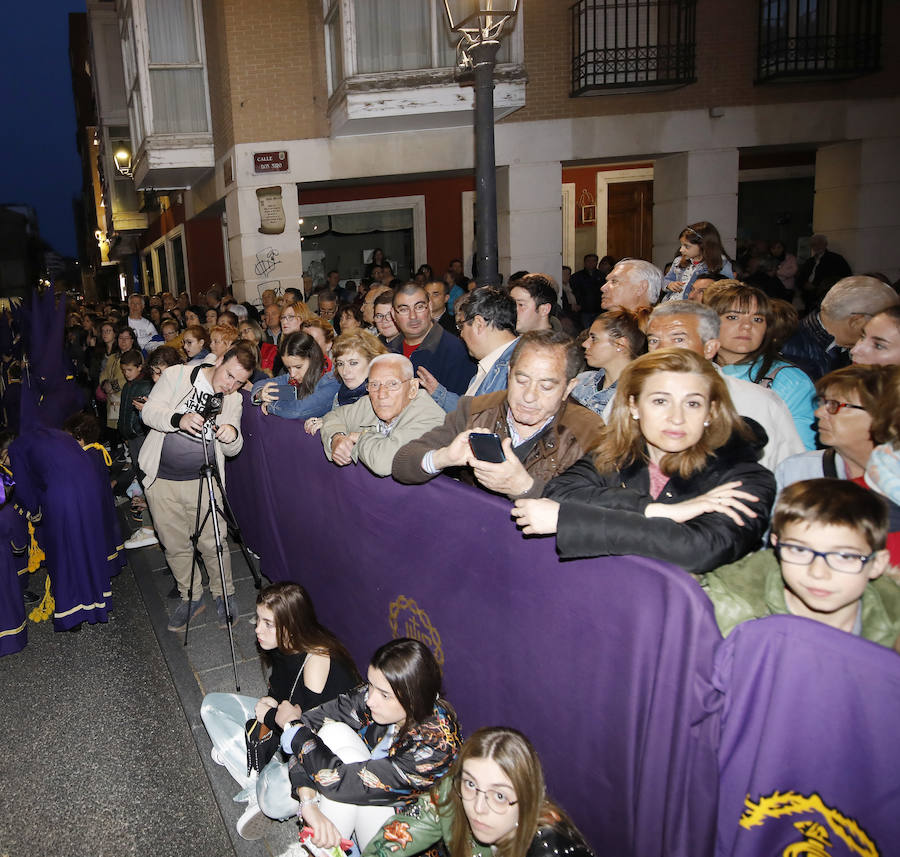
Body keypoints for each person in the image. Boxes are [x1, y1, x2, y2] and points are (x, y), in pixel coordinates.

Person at [512, 349, 776, 575]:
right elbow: (560, 493)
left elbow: (699, 550)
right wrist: (661, 512)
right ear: (634, 407)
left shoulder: (746, 477)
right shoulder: (617, 453)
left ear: (711, 411)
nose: (677, 418)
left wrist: (571, 522)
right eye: (660, 401)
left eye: (693, 404)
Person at [201, 582, 360, 840]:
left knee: (273, 800)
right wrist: (270, 701)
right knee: (211, 706)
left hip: (319, 755)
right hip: (287, 730)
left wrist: (270, 716)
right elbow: (281, 691)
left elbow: (306, 734)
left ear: (291, 625)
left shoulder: (316, 659)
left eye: (267, 624)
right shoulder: (284, 645)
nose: (257, 630)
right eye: (258, 620)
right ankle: (254, 775)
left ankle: (257, 781)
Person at [279, 638, 462, 850]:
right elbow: (308, 726)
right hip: (366, 805)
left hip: (400, 841)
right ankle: (321, 845)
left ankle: (317, 848)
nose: (370, 700)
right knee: (331, 731)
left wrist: (292, 726)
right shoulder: (376, 696)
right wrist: (307, 800)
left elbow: (338, 780)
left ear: (414, 699)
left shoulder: (435, 747)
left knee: (344, 767)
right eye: (371, 685)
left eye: (384, 695)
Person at [393, 331, 604, 499]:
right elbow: (402, 464)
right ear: (509, 372)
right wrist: (443, 457)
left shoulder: (590, 433)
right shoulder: (476, 410)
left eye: (546, 386)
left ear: (569, 387)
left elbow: (595, 509)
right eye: (521, 381)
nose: (529, 396)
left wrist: (525, 487)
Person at [138, 342, 257, 631]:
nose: (231, 385)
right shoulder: (178, 375)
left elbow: (234, 448)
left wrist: (232, 436)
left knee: (213, 542)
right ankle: (190, 596)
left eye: (239, 382)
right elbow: (149, 412)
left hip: (203, 481)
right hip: (162, 479)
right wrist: (178, 419)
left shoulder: (233, 400)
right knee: (174, 542)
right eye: (229, 375)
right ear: (219, 361)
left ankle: (224, 594)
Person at [702, 479, 900, 647]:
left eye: (845, 556)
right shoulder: (725, 615)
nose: (818, 573)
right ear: (776, 546)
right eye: (799, 550)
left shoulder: (893, 623)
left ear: (877, 564)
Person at [364, 727, 593, 857]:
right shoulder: (453, 792)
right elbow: (393, 840)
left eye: (500, 796)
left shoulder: (552, 849)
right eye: (471, 784)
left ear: (528, 797)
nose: (478, 808)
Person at [645, 301, 805, 471]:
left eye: (678, 339)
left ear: (710, 348)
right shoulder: (632, 395)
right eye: (654, 340)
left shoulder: (758, 403)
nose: (661, 350)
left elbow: (792, 474)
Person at [704, 282, 817, 450]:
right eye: (733, 317)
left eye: (757, 319)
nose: (747, 326)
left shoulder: (790, 381)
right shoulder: (695, 371)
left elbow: (801, 454)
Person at [321, 354, 445, 477]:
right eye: (374, 384)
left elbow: (383, 462)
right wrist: (337, 438)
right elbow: (333, 416)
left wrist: (360, 437)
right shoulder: (369, 403)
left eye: (392, 384)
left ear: (413, 388)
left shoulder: (431, 418)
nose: (381, 394)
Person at [774, 364, 890, 493]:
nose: (819, 412)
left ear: (882, 414)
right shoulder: (799, 469)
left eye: (835, 405)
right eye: (823, 402)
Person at [418, 288, 519, 413]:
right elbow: (472, 411)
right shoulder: (489, 365)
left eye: (461, 326)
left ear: (479, 324)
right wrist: (438, 393)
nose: (461, 335)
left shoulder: (516, 369)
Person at [781, 276, 899, 380]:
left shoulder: (849, 349)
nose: (856, 350)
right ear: (856, 321)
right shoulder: (786, 350)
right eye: (884, 317)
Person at [389, 284, 475, 396]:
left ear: (429, 307)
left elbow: (461, 407)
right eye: (404, 309)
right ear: (393, 314)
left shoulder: (455, 350)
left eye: (419, 307)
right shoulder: (388, 351)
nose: (413, 316)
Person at [304, 330, 388, 435]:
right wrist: (320, 421)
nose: (345, 371)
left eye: (353, 363)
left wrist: (329, 423)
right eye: (340, 364)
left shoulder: (384, 398)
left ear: (372, 363)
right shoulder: (341, 394)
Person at [569, 309, 646, 415]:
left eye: (594, 338)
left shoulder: (636, 393)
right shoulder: (581, 381)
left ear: (619, 344)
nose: (585, 344)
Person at [250, 332, 339, 420]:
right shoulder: (292, 380)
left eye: (298, 367)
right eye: (288, 368)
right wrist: (260, 395)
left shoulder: (332, 380)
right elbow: (259, 385)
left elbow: (298, 410)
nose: (292, 374)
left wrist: (270, 406)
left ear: (313, 359)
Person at [661, 221, 733, 302]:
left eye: (686, 246)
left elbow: (729, 290)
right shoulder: (678, 261)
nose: (681, 250)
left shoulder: (721, 264)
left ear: (703, 245)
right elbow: (666, 279)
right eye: (681, 245)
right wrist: (669, 285)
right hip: (671, 305)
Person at [796, 234, 852, 309]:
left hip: (826, 295)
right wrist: (804, 284)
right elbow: (800, 277)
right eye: (813, 245)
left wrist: (817, 286)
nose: (816, 246)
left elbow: (845, 277)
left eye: (819, 243)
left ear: (825, 244)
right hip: (808, 296)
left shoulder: (836, 259)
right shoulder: (809, 261)